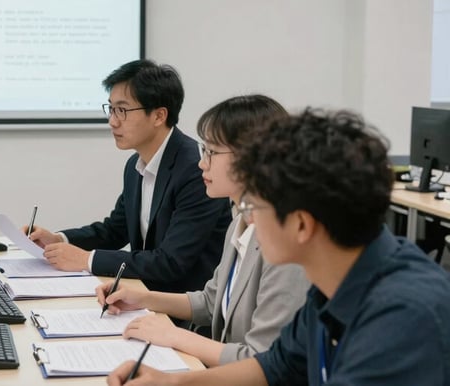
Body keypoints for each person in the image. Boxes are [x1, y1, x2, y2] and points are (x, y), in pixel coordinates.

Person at [107, 109, 450, 386]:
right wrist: (173, 384)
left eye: (252, 205)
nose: (248, 221)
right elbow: (275, 366)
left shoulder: (402, 318)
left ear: (301, 224)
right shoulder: (333, 284)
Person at [96, 95, 309, 367]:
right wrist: (142, 298)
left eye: (211, 152)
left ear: (253, 158)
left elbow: (261, 360)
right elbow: (210, 302)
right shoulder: (241, 221)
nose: (201, 164)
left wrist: (174, 336)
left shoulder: (286, 245)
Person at [26, 59, 232, 293]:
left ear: (158, 116)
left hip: (186, 310)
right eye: (111, 109)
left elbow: (171, 262)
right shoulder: (136, 164)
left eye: (122, 110)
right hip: (143, 296)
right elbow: (115, 230)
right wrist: (60, 240)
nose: (112, 121)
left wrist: (86, 260)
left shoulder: (195, 169)